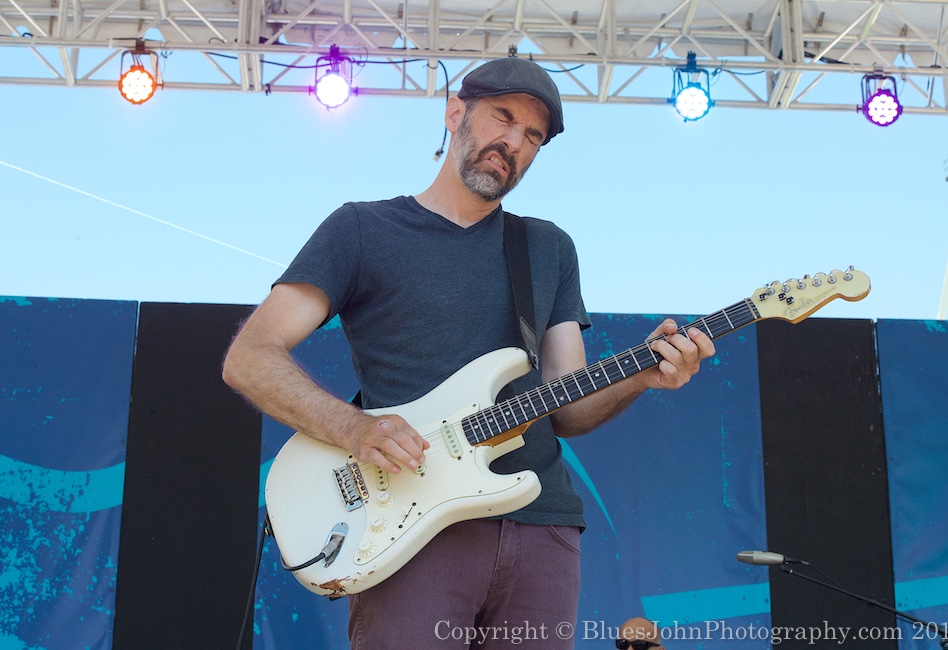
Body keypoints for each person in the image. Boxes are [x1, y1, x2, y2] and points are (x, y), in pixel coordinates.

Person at [222, 56, 715, 648]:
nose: (512, 142)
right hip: (410, 524)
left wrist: (643, 375)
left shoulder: (546, 248)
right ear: (455, 112)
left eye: (532, 136)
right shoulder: (361, 230)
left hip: (541, 523)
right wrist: (352, 428)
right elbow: (251, 356)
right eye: (503, 118)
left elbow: (569, 402)